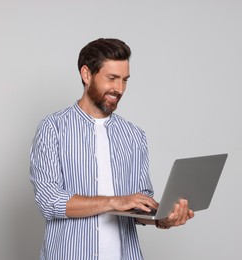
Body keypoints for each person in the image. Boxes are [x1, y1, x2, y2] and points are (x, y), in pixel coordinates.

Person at [30, 38, 194, 260]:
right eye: (112, 78)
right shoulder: (53, 129)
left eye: (125, 80)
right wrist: (114, 201)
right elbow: (49, 201)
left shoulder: (134, 135)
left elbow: (138, 207)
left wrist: (162, 219)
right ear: (87, 75)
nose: (119, 89)